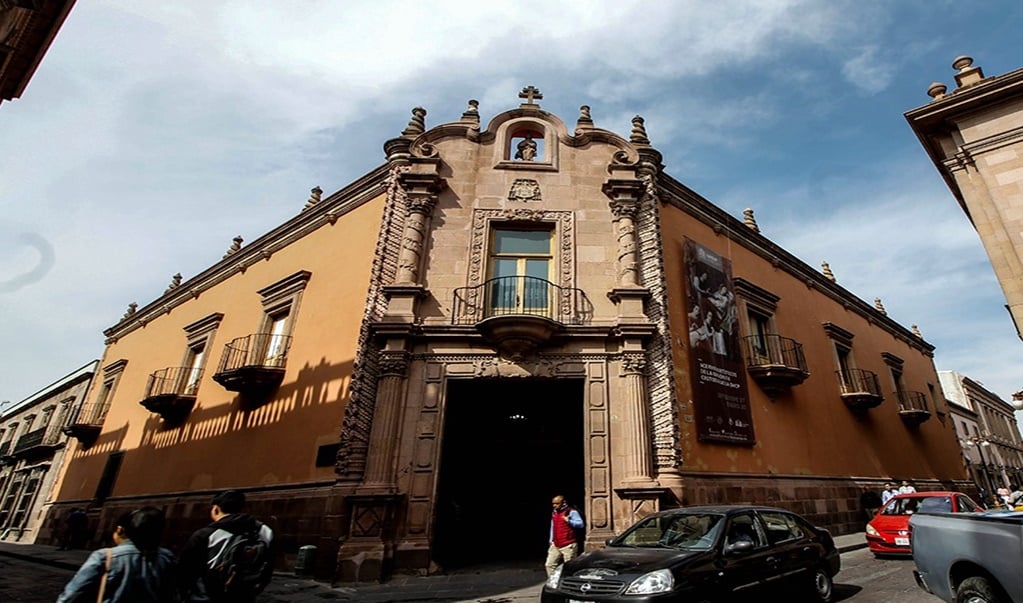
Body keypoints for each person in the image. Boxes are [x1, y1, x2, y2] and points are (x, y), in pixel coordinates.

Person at [57, 507, 178, 602]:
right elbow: (172, 594)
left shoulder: (105, 556)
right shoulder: (167, 557)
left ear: (120, 530)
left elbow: (73, 593)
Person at [179, 490, 274, 602]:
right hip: (246, 595)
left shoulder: (205, 534)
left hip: (211, 595)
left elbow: (185, 571)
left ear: (215, 509)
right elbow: (268, 566)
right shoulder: (264, 531)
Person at [546, 495, 584, 576]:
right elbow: (553, 526)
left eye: (557, 503)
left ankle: (568, 583)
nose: (554, 505)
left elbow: (580, 524)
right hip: (556, 543)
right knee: (549, 564)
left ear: (563, 503)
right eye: (553, 504)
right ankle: (553, 581)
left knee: (569, 567)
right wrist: (551, 539)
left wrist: (569, 521)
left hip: (568, 544)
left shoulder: (571, 512)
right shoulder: (555, 512)